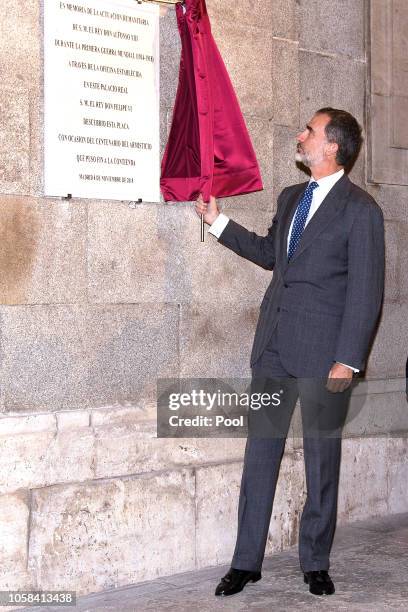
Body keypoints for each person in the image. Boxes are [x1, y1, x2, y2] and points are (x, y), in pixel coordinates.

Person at [195, 108, 385, 596]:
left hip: (327, 356)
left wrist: (349, 359)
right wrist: (219, 222)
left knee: (323, 460)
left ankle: (315, 562)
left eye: (310, 131)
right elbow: (269, 255)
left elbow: (366, 292)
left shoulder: (360, 210)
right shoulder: (290, 197)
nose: (299, 136)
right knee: (260, 454)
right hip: (274, 348)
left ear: (332, 146)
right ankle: (246, 561)